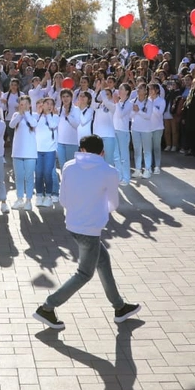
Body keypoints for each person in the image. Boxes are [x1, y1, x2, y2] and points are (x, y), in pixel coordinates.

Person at [32, 134, 141, 330]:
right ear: (102, 152)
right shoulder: (109, 171)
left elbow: (63, 200)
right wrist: (96, 211)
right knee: (84, 273)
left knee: (103, 261)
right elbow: (113, 204)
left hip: (73, 224)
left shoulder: (69, 166)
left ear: (81, 149)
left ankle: (119, 307)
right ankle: (47, 307)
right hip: (91, 228)